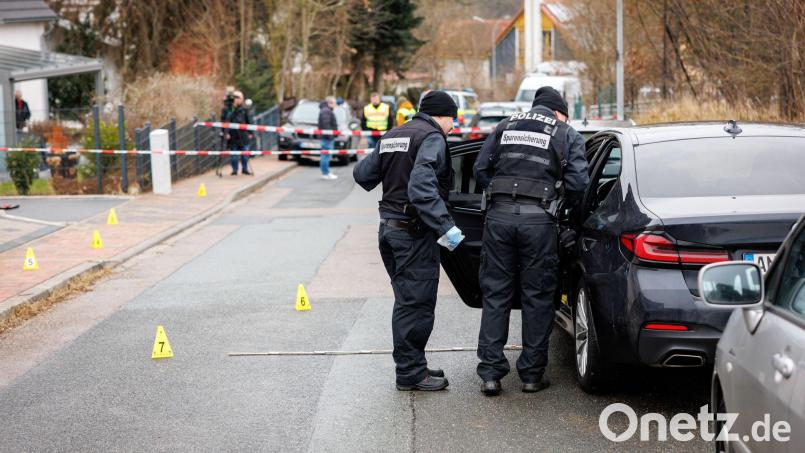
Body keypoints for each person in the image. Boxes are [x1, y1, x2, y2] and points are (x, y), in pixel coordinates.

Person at [473, 86, 589, 396]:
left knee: (495, 294)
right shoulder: (564, 132)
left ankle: (491, 374)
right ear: (558, 112)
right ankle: (532, 375)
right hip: (538, 221)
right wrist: (563, 207)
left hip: (498, 219)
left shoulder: (505, 126)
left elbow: (480, 169)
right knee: (537, 296)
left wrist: (498, 197)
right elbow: (579, 183)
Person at [354, 91, 465, 391]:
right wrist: (445, 226)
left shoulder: (394, 133)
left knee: (407, 299)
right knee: (415, 304)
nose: (453, 126)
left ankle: (414, 365)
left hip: (389, 230)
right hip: (413, 233)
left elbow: (362, 174)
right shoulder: (431, 137)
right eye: (452, 119)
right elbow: (421, 186)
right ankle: (411, 374)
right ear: (441, 115)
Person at [226, 90, 252, 175]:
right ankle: (234, 170)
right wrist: (226, 133)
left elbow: (249, 121)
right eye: (236, 98)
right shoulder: (229, 109)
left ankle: (245, 169)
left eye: (239, 98)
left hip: (243, 135)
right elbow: (225, 121)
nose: (238, 100)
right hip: (233, 135)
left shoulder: (244, 109)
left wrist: (250, 132)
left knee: (245, 154)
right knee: (234, 155)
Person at [318, 96, 339, 180]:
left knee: (325, 155)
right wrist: (331, 136)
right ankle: (325, 173)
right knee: (326, 155)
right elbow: (326, 125)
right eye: (334, 103)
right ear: (329, 103)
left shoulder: (326, 110)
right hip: (327, 138)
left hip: (326, 137)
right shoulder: (326, 111)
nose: (335, 105)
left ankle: (326, 172)